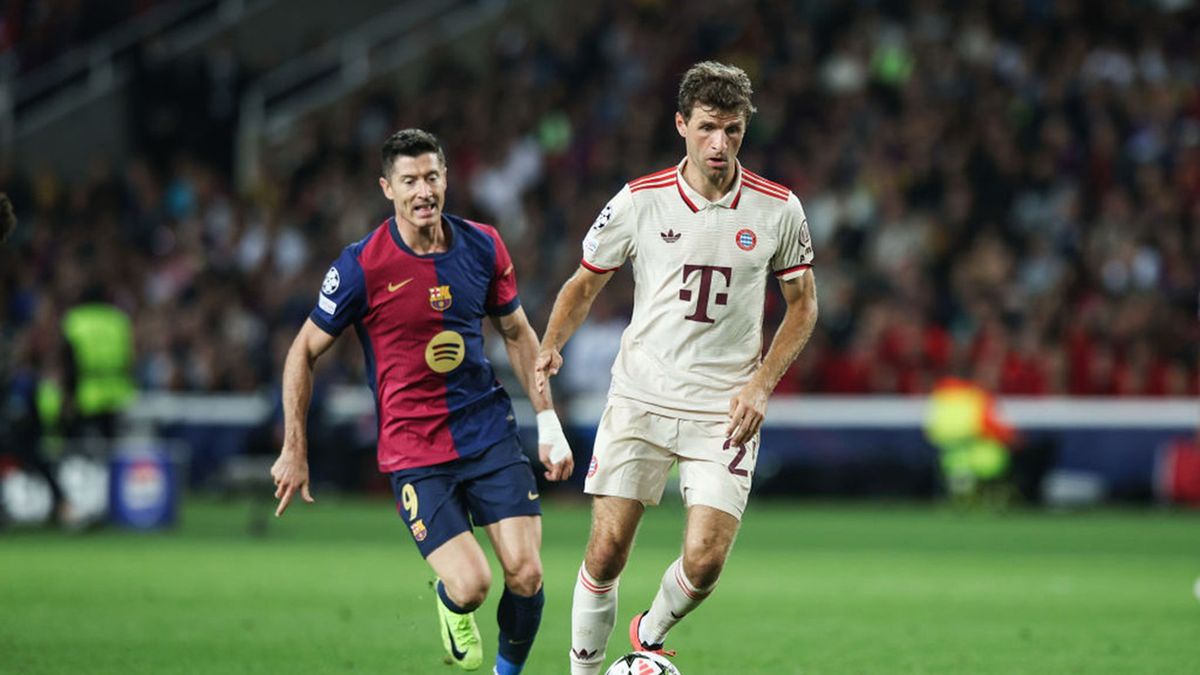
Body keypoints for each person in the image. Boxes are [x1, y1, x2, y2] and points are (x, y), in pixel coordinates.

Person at [533, 62, 819, 674]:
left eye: (734, 131)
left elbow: (803, 307)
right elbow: (584, 284)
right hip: (641, 393)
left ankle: (650, 631)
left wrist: (762, 384)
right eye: (710, 128)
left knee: (706, 559)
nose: (721, 144)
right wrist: (552, 342)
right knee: (607, 550)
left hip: (725, 406)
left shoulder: (779, 209)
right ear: (682, 125)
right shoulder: (639, 200)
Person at [270, 128, 574, 675]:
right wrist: (295, 446)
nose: (423, 191)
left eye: (431, 177)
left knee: (526, 574)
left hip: (488, 433)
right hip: (415, 450)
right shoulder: (362, 265)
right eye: (409, 180)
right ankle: (450, 601)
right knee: (474, 584)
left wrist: (548, 419)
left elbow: (517, 332)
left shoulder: (483, 244)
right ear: (387, 188)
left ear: (446, 179)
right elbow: (302, 353)